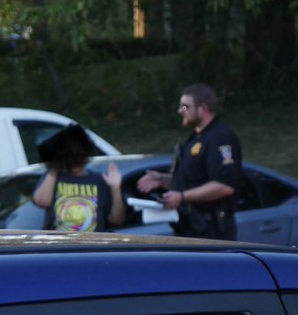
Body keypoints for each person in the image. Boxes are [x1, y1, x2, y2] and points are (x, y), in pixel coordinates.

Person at [137, 83, 242, 240]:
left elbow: (224, 186)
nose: (180, 111)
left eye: (185, 107)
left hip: (212, 231)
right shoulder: (195, 139)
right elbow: (193, 181)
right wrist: (161, 179)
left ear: (203, 108)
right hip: (191, 228)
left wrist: (182, 197)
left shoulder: (219, 138)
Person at [32, 124, 125, 233]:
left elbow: (117, 220)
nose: (76, 158)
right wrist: (54, 168)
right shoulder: (54, 176)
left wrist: (115, 188)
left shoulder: (99, 180)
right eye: (71, 153)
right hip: (57, 248)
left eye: (79, 153)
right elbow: (41, 202)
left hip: (89, 248)